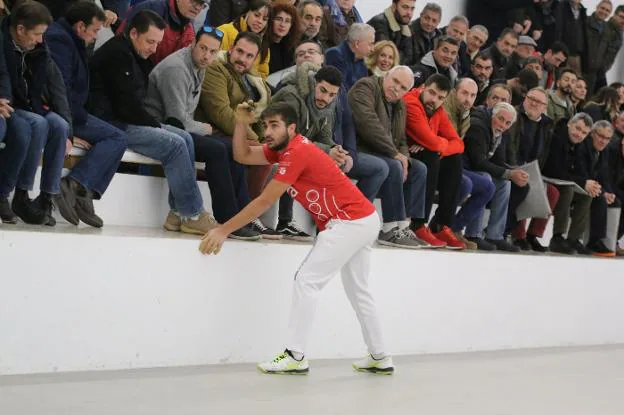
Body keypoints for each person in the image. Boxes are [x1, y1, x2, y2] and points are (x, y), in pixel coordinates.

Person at [199, 102, 394, 375]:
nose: (268, 131)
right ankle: (380, 356)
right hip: (363, 220)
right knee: (358, 291)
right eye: (265, 125)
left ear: (292, 128)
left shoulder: (296, 152)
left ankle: (295, 354)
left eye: (275, 125)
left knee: (307, 281)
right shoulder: (283, 150)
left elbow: (265, 201)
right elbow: (242, 155)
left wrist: (223, 230)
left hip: (349, 222)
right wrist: (241, 123)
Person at [90, 9, 217, 235]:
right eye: (150, 42)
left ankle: (178, 214)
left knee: (185, 137)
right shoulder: (117, 54)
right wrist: (155, 125)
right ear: (133, 33)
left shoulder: (138, 56)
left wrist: (155, 124)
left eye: (157, 43)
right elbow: (125, 108)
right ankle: (193, 213)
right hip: (111, 125)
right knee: (176, 144)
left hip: (126, 120)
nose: (154, 49)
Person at [145, 26, 261, 240]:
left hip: (183, 131)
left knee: (230, 146)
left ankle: (242, 216)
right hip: (161, 130)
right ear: (193, 44)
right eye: (203, 48)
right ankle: (228, 220)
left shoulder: (201, 65)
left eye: (213, 51)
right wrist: (204, 128)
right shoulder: (176, 69)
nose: (207, 55)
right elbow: (176, 120)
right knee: (217, 149)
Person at [45, 1, 129, 228]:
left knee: (118, 135)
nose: (94, 37)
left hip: (74, 112)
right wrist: (70, 130)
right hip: (62, 113)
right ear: (81, 26)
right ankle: (75, 184)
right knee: (117, 137)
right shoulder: (59, 40)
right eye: (94, 31)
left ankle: (84, 191)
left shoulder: (72, 38)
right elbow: (59, 89)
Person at [0, 0, 73, 226]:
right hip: (15, 105)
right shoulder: (3, 42)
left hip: (32, 105)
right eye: (37, 34)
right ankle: (18, 193)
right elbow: (3, 76)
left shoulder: (39, 48)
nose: (41, 39)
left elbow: (57, 87)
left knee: (60, 126)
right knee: (37, 124)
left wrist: (70, 129)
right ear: (20, 29)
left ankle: (46, 197)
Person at [197, 31, 277, 237]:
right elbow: (220, 112)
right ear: (231, 49)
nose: (243, 58)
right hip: (208, 130)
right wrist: (251, 140)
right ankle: (237, 218)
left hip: (229, 134)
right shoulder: (216, 69)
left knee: (273, 153)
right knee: (244, 152)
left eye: (249, 56)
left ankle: (247, 215)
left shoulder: (247, 79)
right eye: (240, 51)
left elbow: (254, 116)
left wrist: (262, 141)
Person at [349, 67, 431, 249]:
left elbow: (401, 139)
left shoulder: (399, 103)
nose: (396, 88)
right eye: (394, 81)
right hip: (356, 149)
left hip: (381, 153)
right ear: (386, 75)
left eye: (403, 87)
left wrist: (405, 158)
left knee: (418, 168)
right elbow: (368, 124)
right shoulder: (366, 87)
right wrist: (396, 155)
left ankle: (403, 226)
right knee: (394, 165)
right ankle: (389, 228)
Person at [404, 74, 466, 249]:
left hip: (425, 152)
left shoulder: (438, 111)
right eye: (431, 93)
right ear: (423, 87)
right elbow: (430, 141)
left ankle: (440, 224)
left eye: (440, 97)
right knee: (431, 155)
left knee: (454, 160)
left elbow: (459, 144)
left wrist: (439, 146)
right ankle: (417, 224)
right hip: (403, 153)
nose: (434, 100)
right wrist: (436, 145)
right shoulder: (412, 102)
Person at [463, 102, 524, 252]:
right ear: (493, 115)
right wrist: (509, 173)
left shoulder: (501, 132)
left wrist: (514, 171)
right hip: (463, 169)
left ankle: (495, 235)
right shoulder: (479, 126)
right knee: (486, 180)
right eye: (500, 119)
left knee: (505, 183)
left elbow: (499, 160)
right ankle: (473, 234)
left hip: (477, 170)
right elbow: (478, 162)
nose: (503, 125)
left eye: (508, 123)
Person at [444, 78, 496, 250]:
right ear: (454, 92)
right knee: (465, 183)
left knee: (488, 186)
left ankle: (454, 228)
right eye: (464, 93)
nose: (468, 99)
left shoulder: (466, 114)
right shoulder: (446, 109)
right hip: (440, 162)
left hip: (455, 163)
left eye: (472, 95)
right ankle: (440, 225)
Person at [505, 87, 557, 252]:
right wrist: (516, 168)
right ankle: (518, 235)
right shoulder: (514, 116)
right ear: (525, 98)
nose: (534, 103)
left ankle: (532, 235)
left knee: (553, 192)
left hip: (533, 168)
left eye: (539, 101)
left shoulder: (547, 125)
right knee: (524, 184)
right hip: (512, 166)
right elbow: (510, 147)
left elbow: (544, 152)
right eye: (531, 98)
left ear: (545, 106)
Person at [541, 113, 594, 255]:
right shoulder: (557, 137)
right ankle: (557, 237)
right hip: (546, 177)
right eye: (578, 128)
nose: (579, 134)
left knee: (587, 195)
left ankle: (574, 238)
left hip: (560, 180)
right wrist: (582, 181)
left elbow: (580, 170)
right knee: (568, 189)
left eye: (584, 133)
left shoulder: (578, 145)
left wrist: (588, 184)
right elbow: (554, 170)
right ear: (570, 123)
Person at [119, 0, 205, 65]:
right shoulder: (150, 9)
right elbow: (121, 41)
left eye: (202, 4)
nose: (197, 8)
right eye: (194, 1)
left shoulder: (189, 28)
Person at [218, 0, 272, 79]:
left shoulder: (264, 46)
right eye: (256, 15)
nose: (260, 21)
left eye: (264, 19)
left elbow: (263, 75)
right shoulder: (224, 31)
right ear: (247, 13)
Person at [325, 23, 374, 92]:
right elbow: (341, 91)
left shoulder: (362, 61)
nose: (372, 49)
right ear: (357, 43)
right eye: (370, 44)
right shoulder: (334, 55)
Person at [367, 0, 417, 66]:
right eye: (405, 7)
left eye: (412, 9)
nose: (409, 13)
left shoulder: (406, 26)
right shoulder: (380, 23)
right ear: (394, 6)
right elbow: (385, 56)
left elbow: (408, 57)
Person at [268, 0, 301, 75]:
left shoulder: (291, 48)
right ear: (271, 20)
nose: (282, 25)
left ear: (292, 25)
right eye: (278, 19)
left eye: (287, 21)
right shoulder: (262, 44)